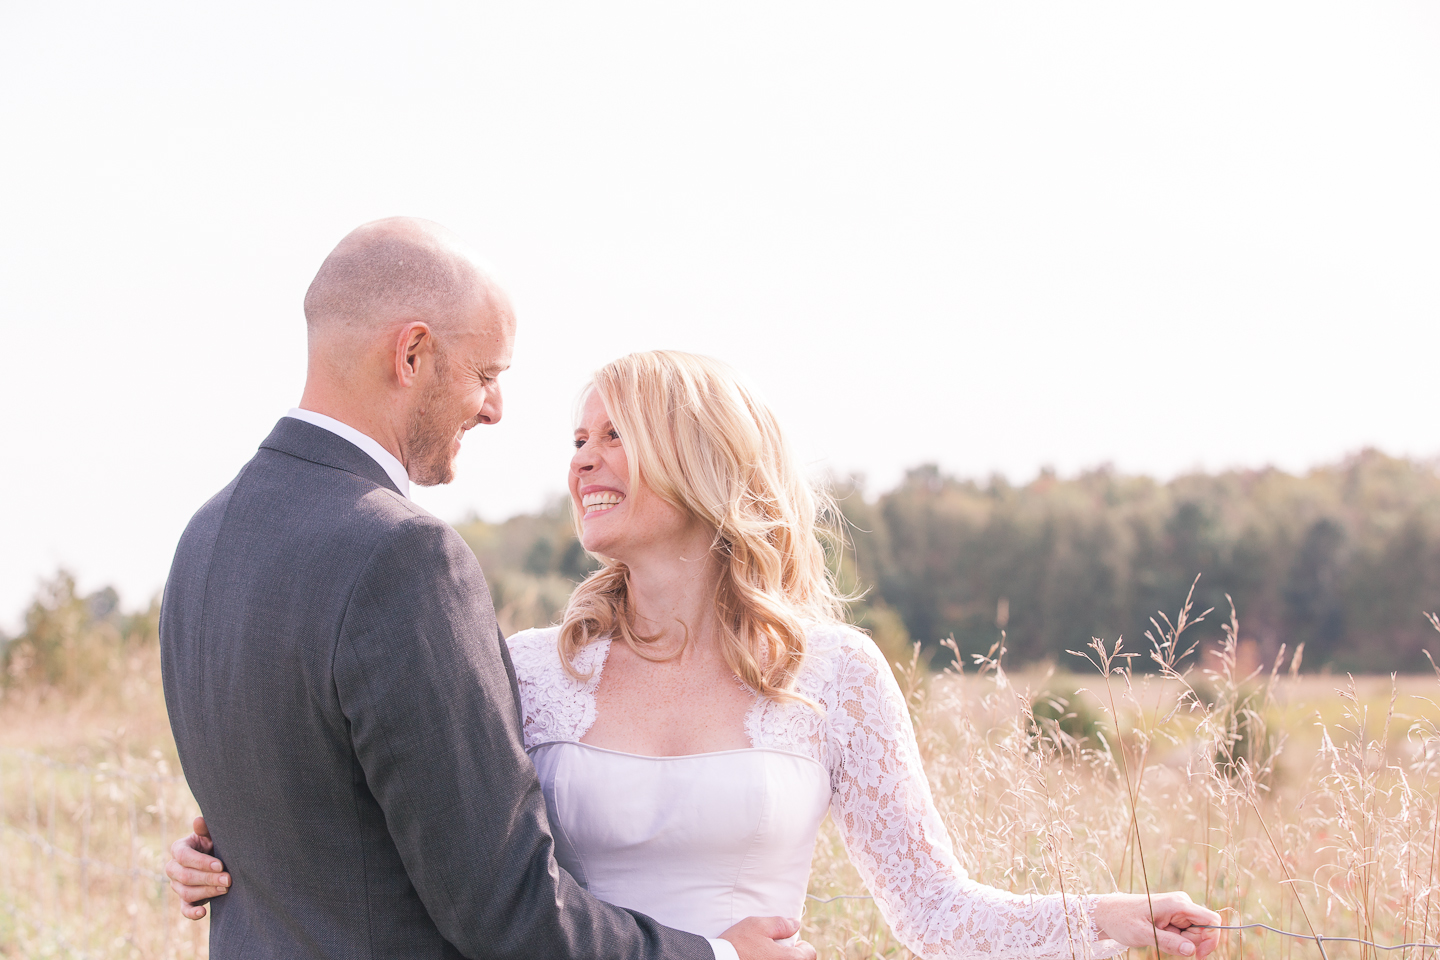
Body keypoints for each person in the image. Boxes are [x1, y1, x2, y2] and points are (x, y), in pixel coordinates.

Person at [170, 347, 1224, 958]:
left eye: (615, 434)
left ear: (705, 462)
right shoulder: (529, 670)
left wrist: (1114, 921)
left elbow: (937, 912)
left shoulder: (836, 674)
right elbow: (426, 840)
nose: (583, 456)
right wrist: (230, 842)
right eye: (576, 438)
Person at [159, 219, 812, 960]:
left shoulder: (205, 540)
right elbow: (508, 911)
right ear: (412, 353)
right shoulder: (402, 556)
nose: (495, 408)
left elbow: (301, 812)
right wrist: (720, 957)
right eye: (486, 375)